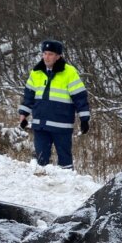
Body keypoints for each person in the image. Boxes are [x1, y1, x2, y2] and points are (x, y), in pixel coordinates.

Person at [18, 39, 91, 169]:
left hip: (61, 125)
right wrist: (23, 114)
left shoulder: (69, 72)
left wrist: (84, 119)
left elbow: (80, 97)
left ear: (58, 56)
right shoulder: (36, 72)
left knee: (65, 161)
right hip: (40, 124)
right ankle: (40, 185)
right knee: (40, 160)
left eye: (50, 54)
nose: (46, 57)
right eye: (44, 53)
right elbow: (29, 96)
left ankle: (68, 185)